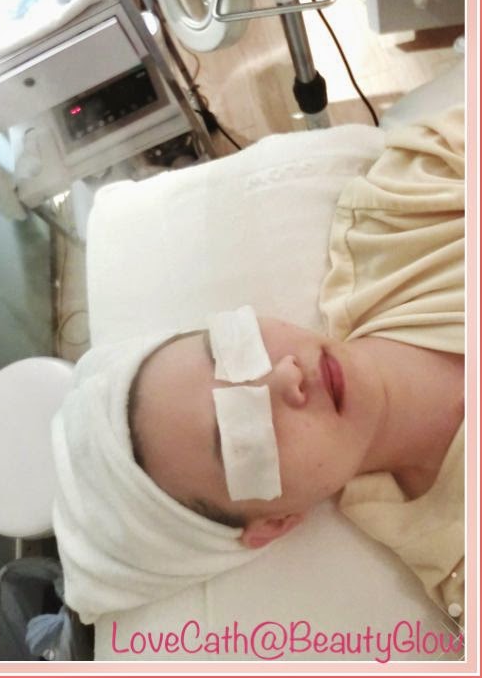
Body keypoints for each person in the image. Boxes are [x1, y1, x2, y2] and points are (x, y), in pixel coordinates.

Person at [51, 105, 464, 626]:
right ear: (274, 523)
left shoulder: (405, 209)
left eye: (232, 347)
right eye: (244, 436)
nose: (284, 375)